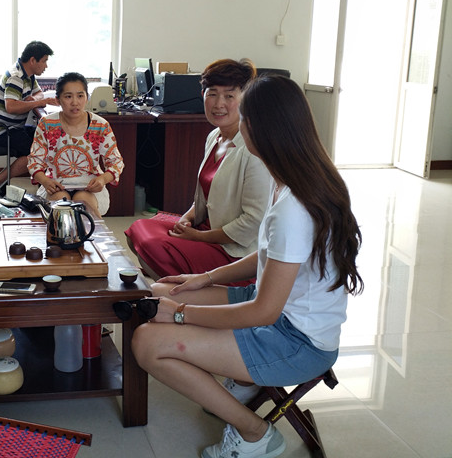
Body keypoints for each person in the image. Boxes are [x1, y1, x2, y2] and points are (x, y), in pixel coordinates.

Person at [130, 75, 363, 458]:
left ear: (257, 127)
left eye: (242, 115)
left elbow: (263, 312)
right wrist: (205, 278)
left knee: (147, 342)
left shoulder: (293, 207)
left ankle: (255, 433)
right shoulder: (292, 179)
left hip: (297, 341)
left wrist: (181, 315)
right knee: (160, 291)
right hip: (277, 313)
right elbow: (271, 254)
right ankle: (243, 382)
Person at [125, 59, 270, 280]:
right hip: (204, 230)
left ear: (245, 99)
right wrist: (186, 219)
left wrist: (199, 237)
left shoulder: (253, 148)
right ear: (202, 95)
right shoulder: (214, 136)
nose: (218, 104)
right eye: (212, 94)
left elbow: (254, 221)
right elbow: (205, 198)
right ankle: (180, 286)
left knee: (153, 245)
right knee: (139, 230)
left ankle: (185, 290)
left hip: (234, 251)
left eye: (229, 96)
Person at [27, 72, 124, 216]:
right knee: (60, 204)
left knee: (83, 201)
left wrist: (103, 179)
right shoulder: (47, 124)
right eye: (68, 96)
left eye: (80, 96)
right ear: (58, 100)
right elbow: (35, 162)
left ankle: (95, 231)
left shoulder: (101, 125)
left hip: (89, 187)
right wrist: (45, 181)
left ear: (87, 98)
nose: (75, 102)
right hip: (56, 185)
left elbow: (116, 162)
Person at [0, 40, 59, 193]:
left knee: (44, 141)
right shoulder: (16, 77)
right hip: (2, 131)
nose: (46, 66)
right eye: (44, 61)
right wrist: (39, 102)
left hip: (14, 128)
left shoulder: (28, 75)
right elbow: (11, 107)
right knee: (37, 151)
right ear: (33, 60)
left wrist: (35, 99)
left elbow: (39, 93)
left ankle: (46, 183)